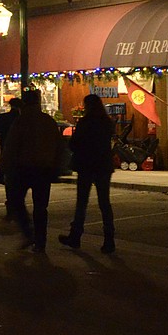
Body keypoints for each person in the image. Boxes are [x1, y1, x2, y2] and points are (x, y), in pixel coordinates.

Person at [0, 90, 65, 252]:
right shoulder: (47, 121)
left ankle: (29, 233)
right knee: (41, 207)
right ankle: (40, 241)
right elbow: (59, 146)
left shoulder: (21, 121)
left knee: (16, 201)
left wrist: (2, 167)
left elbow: (11, 146)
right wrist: (57, 166)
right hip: (43, 169)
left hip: (22, 168)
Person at [59, 94, 116, 253]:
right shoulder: (107, 123)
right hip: (103, 165)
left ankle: (75, 236)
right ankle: (109, 239)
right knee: (104, 202)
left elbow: (75, 144)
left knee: (82, 203)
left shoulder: (85, 122)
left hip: (86, 165)